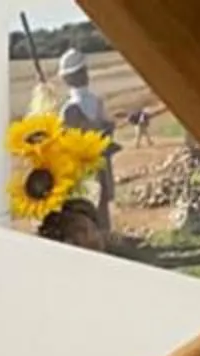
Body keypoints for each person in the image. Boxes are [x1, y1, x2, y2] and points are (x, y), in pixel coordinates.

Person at [57, 46, 116, 226]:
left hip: (79, 168)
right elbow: (109, 127)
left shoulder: (68, 110)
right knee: (102, 202)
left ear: (67, 78)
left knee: (82, 206)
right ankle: (104, 237)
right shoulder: (97, 102)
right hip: (99, 162)